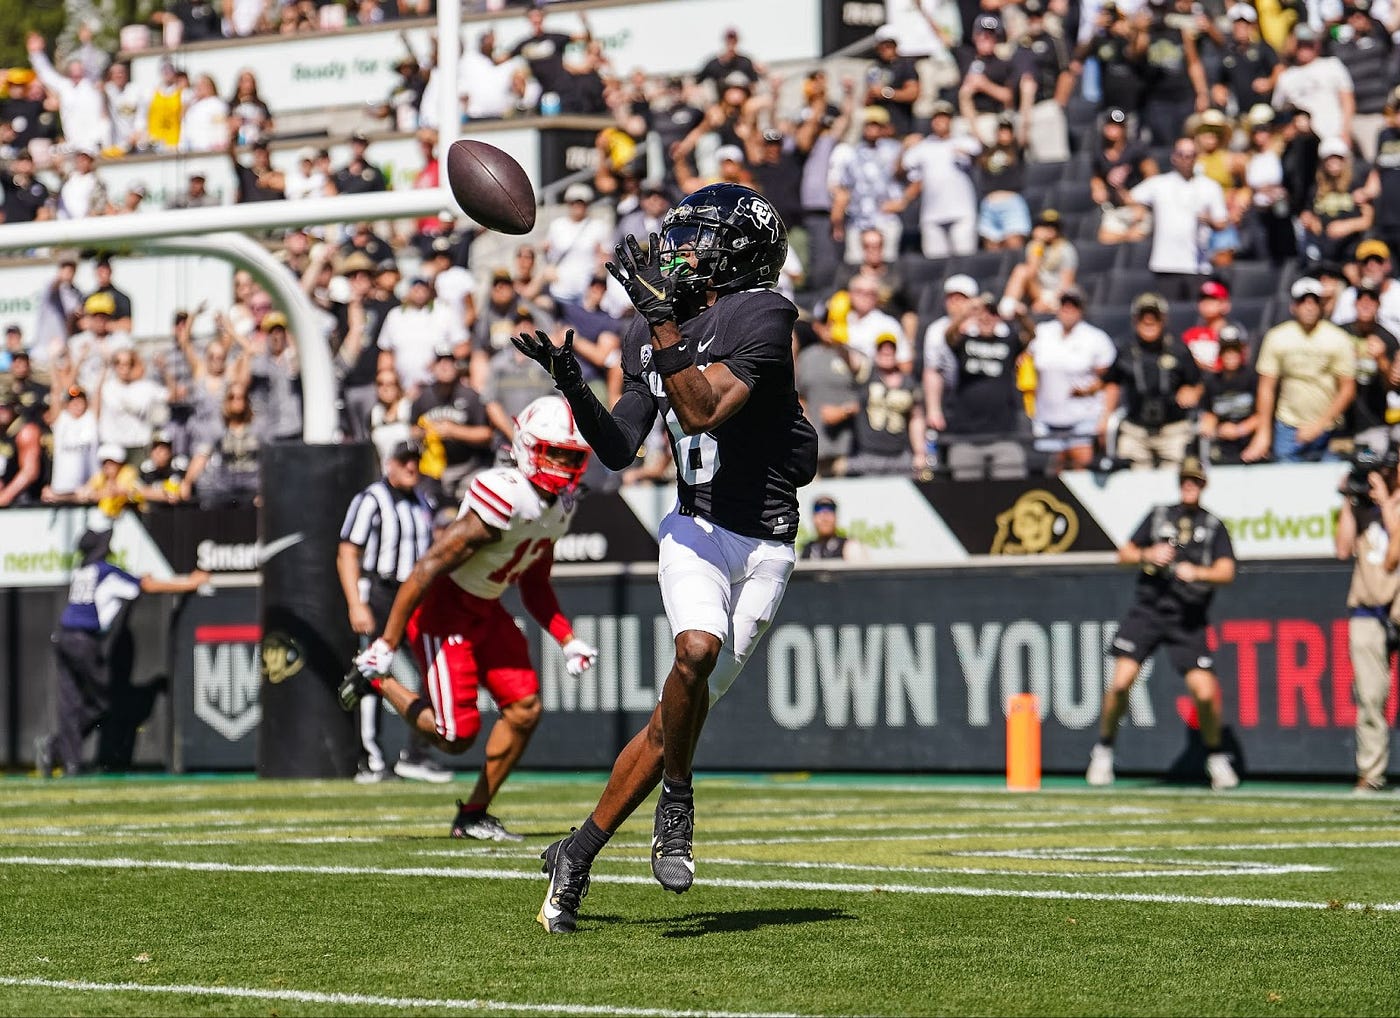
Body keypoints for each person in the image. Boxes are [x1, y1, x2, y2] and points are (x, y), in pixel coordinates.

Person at [510, 182, 818, 933]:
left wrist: (660, 320)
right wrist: (575, 388)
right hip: (695, 528)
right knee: (696, 650)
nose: (675, 252)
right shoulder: (650, 332)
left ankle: (576, 852)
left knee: (674, 714)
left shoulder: (763, 312)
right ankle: (677, 800)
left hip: (767, 543)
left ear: (738, 250)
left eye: (694, 238)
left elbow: (705, 407)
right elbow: (619, 447)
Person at [339, 396, 598, 842]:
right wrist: (385, 645)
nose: (562, 463)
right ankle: (375, 681)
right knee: (455, 735)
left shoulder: (560, 508)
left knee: (524, 710)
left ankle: (474, 813)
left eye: (571, 455)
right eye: (553, 451)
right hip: (443, 613)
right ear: (527, 446)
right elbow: (427, 567)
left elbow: (534, 582)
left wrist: (567, 638)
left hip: (487, 608)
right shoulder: (504, 494)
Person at [1086, 457, 1241, 791]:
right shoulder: (1159, 515)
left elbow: (1227, 571)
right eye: (1185, 480)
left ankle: (1215, 756)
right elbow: (1123, 554)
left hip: (1187, 616)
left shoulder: (1213, 525)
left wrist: (1197, 573)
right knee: (1121, 682)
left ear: (1204, 485)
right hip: (1149, 609)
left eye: (1196, 481)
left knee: (1204, 690)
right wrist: (1148, 555)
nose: (1190, 485)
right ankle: (1103, 749)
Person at [34, 528, 210, 778]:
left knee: (70, 704)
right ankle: (60, 750)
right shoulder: (105, 571)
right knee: (103, 699)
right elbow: (146, 585)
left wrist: (138, 579)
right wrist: (189, 583)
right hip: (83, 641)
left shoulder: (83, 571)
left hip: (63, 637)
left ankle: (65, 758)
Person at [337, 442, 450, 786]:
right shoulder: (371, 499)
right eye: (404, 461)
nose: (411, 467)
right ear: (390, 463)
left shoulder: (422, 501)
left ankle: (415, 754)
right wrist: (356, 602)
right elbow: (347, 552)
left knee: (433, 668)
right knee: (375, 668)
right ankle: (371, 758)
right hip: (382, 591)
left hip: (415, 593)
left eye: (416, 461)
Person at [1335, 449, 1400, 793]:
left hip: (1396, 604)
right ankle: (1371, 773)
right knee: (1370, 696)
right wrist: (1349, 499)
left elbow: (1393, 557)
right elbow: (1343, 549)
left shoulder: (1395, 504)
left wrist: (1387, 501)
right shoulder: (1361, 510)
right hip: (1367, 608)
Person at [1242, 278, 1357, 463]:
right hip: (1288, 427)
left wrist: (1319, 426)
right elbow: (1266, 387)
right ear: (1293, 306)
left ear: (1322, 305)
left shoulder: (1339, 339)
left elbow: (1347, 389)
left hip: (1329, 429)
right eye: (1303, 301)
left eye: (1314, 301)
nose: (1309, 306)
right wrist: (1263, 433)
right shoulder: (1276, 337)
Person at [798, 494, 868, 561]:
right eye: (819, 513)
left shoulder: (850, 546)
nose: (825, 519)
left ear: (836, 518)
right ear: (813, 518)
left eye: (829, 512)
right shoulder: (807, 549)